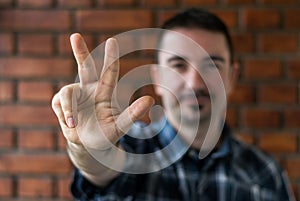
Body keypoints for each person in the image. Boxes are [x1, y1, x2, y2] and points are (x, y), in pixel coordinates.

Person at [52, 8, 295, 201]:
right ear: (157, 78)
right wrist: (89, 149)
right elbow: (99, 171)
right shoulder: (130, 150)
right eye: (178, 65)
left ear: (231, 78)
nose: (194, 82)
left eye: (212, 65)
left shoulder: (265, 174)